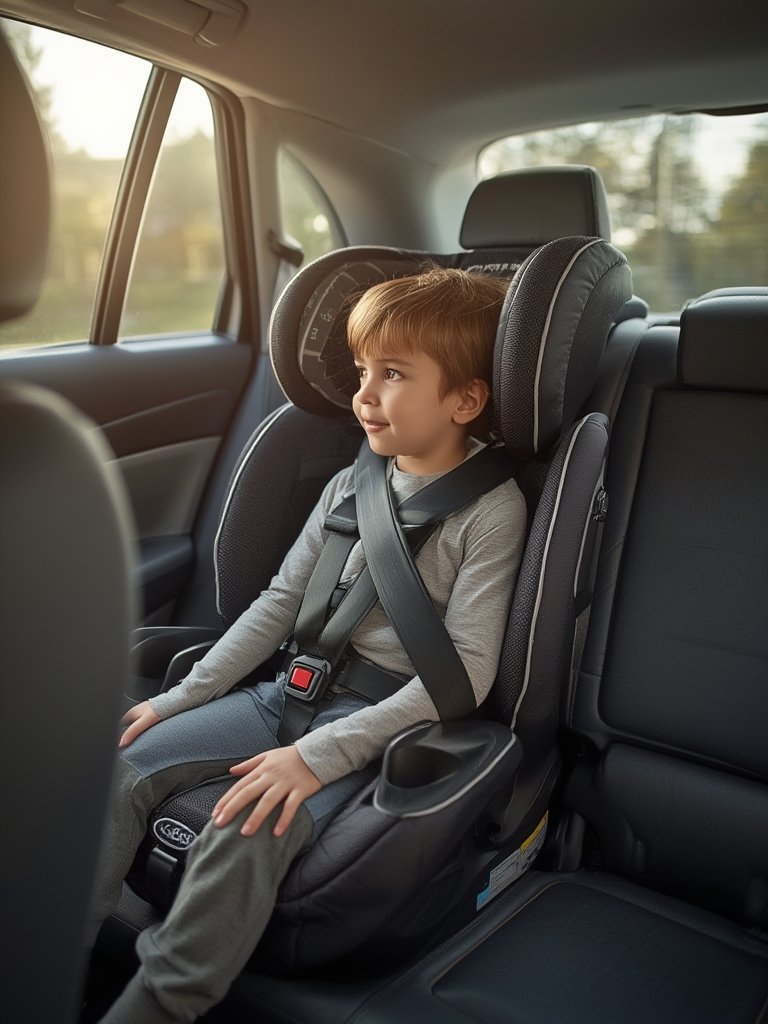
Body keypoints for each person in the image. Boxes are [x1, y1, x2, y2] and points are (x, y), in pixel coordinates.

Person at [91, 266, 527, 1024]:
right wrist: (180, 698)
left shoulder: (492, 511)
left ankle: (160, 1005)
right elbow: (278, 606)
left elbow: (468, 675)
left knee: (248, 822)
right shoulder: (351, 483)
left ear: (465, 399)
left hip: (379, 722)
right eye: (362, 370)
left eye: (393, 375)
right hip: (282, 693)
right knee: (123, 765)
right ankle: (56, 951)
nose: (363, 393)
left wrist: (319, 756)